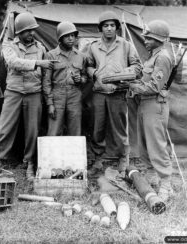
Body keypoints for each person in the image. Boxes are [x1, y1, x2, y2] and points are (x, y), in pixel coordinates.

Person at [0, 12, 54, 179]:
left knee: (32, 130)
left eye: (33, 30)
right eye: (28, 30)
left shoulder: (40, 48)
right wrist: (37, 63)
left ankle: (30, 164)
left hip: (34, 93)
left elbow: (48, 71)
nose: (32, 33)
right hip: (13, 92)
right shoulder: (9, 46)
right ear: (19, 32)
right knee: (5, 128)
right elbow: (13, 63)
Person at [87, 11, 142, 175]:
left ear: (117, 28)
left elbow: (137, 66)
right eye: (105, 26)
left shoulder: (125, 45)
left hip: (118, 92)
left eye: (112, 25)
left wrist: (123, 74)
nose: (109, 28)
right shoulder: (93, 46)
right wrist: (94, 73)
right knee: (98, 128)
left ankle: (123, 159)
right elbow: (88, 65)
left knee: (120, 128)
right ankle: (98, 160)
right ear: (101, 28)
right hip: (99, 92)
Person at [128, 20, 174, 201]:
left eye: (148, 37)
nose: (145, 40)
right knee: (145, 143)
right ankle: (151, 177)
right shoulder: (153, 56)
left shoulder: (162, 57)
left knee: (156, 145)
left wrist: (131, 85)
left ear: (157, 38)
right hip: (145, 104)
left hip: (155, 105)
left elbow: (154, 86)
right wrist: (134, 83)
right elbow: (146, 82)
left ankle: (166, 184)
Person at [43, 21, 87, 136]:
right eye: (67, 36)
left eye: (73, 35)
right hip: (57, 95)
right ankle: (52, 154)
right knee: (54, 131)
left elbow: (85, 77)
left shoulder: (81, 56)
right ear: (60, 38)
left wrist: (80, 80)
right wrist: (50, 104)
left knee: (75, 131)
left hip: (75, 95)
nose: (71, 38)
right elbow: (46, 82)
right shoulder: (51, 55)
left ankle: (75, 154)